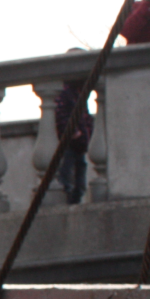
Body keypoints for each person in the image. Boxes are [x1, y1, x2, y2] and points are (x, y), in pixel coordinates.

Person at [53, 54, 94, 205]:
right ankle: (70, 201)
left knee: (80, 181)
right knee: (67, 178)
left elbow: (85, 116)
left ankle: (75, 200)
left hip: (80, 144)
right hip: (71, 144)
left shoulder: (78, 94)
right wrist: (74, 133)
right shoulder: (66, 93)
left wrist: (87, 131)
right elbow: (61, 115)